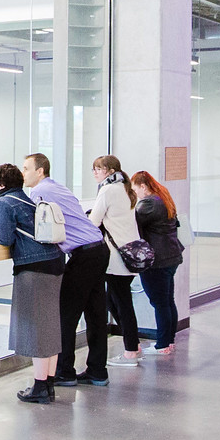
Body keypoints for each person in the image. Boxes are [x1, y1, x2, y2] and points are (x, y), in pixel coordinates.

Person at [23, 152, 110, 388]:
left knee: (65, 315)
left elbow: (39, 227)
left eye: (26, 168)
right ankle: (97, 371)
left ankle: (65, 372)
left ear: (40, 171)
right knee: (95, 314)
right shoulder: (56, 187)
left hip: (84, 255)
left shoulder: (39, 192)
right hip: (98, 249)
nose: (24, 174)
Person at [0, 162, 65, 403]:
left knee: (36, 328)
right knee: (50, 324)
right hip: (55, 261)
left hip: (33, 268)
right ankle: (49, 383)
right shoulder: (28, 199)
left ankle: (40, 387)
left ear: (1, 184)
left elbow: (4, 237)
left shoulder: (3, 202)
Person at [87, 156, 146, 366]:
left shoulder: (108, 190)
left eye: (98, 169)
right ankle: (134, 343)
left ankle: (131, 350)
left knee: (121, 302)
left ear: (110, 171)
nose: (94, 173)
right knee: (114, 300)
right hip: (129, 253)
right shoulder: (124, 187)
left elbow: (94, 221)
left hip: (116, 256)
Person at [129, 171, 185, 354]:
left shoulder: (148, 204)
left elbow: (131, 222)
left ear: (143, 186)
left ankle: (162, 345)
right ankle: (169, 341)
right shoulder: (163, 197)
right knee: (168, 301)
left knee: (160, 303)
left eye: (135, 189)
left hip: (157, 261)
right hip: (171, 256)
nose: (135, 193)